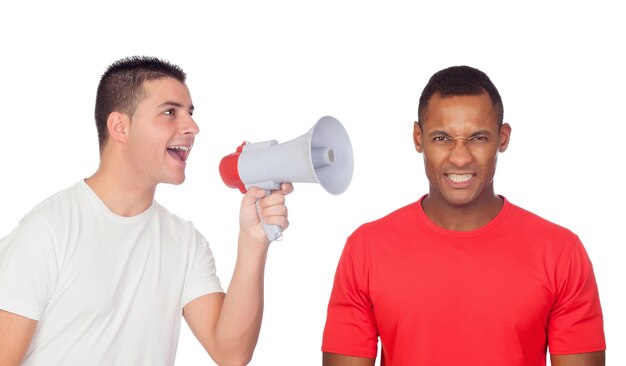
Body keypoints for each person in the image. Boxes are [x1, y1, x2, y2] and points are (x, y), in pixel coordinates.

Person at [0, 56, 292, 365]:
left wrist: (253, 242)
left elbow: (231, 353)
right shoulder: (46, 231)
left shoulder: (185, 242)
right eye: (170, 112)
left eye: (190, 114)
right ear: (120, 127)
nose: (192, 127)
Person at [321, 65, 605, 366]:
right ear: (418, 138)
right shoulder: (366, 249)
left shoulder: (561, 252)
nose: (460, 157)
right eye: (442, 138)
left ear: (503, 138)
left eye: (478, 138)